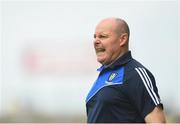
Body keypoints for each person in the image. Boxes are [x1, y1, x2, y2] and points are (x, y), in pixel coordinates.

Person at [85, 17, 166, 123]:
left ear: (122, 39)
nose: (96, 41)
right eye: (95, 37)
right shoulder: (103, 75)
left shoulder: (135, 74)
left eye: (103, 36)